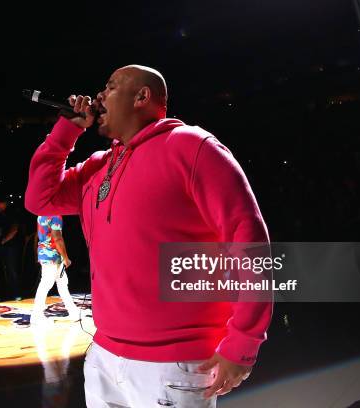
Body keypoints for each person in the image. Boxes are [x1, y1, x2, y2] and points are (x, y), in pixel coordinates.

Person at [25, 65, 271, 407]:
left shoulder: (192, 146)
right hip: (104, 357)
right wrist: (66, 131)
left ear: (142, 96)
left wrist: (243, 344)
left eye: (109, 87)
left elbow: (249, 244)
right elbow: (40, 199)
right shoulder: (98, 166)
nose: (98, 96)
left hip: (174, 365)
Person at [31, 215, 80, 324]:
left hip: (47, 254)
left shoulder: (41, 215)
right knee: (46, 284)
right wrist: (66, 258)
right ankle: (36, 315)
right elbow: (57, 238)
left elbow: (40, 234)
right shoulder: (55, 216)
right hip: (53, 256)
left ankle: (73, 312)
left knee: (62, 283)